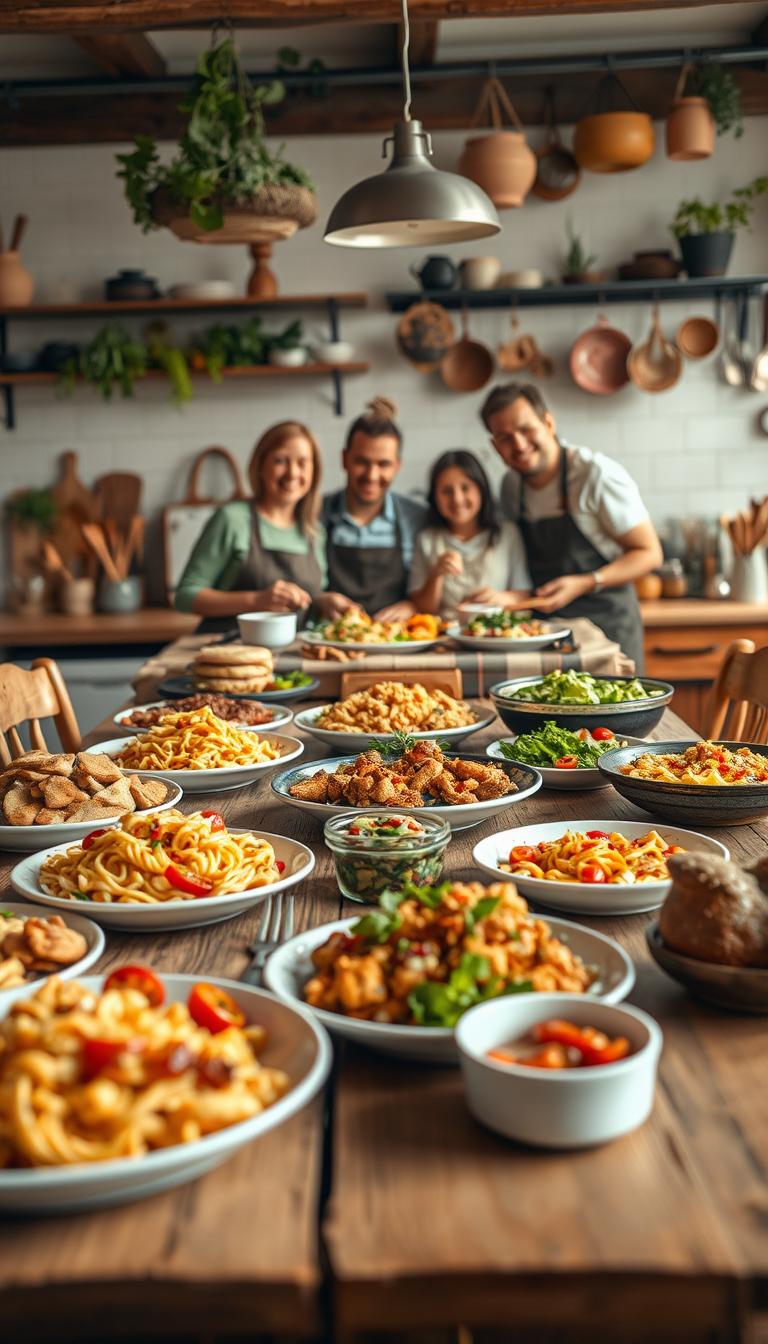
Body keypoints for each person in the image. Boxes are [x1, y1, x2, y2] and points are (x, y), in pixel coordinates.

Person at [481, 383, 662, 671]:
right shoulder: (511, 487)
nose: (518, 444)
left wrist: (585, 582)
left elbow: (650, 553)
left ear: (548, 422)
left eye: (526, 429)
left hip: (607, 633)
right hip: (546, 637)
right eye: (505, 437)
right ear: (494, 446)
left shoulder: (596, 475)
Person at [174, 421, 349, 631]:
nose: (292, 473)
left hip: (291, 655)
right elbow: (185, 596)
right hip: (228, 653)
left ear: (314, 471)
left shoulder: (314, 532)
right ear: (260, 467)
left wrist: (323, 602)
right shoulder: (232, 519)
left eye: (303, 462)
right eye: (280, 461)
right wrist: (257, 600)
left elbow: (308, 598)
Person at [322, 397, 428, 621]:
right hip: (331, 639)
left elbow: (430, 589)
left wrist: (412, 605)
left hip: (398, 640)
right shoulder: (315, 513)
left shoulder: (418, 518)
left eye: (383, 464)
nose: (372, 476)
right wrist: (319, 600)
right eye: (362, 462)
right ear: (344, 459)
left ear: (397, 466)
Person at [408, 450, 531, 622]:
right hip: (443, 634)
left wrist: (502, 598)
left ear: (481, 489)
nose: (457, 499)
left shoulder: (507, 534)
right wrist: (436, 575)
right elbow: (422, 609)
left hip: (493, 632)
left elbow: (524, 596)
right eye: (446, 491)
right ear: (434, 497)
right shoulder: (426, 539)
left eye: (465, 488)